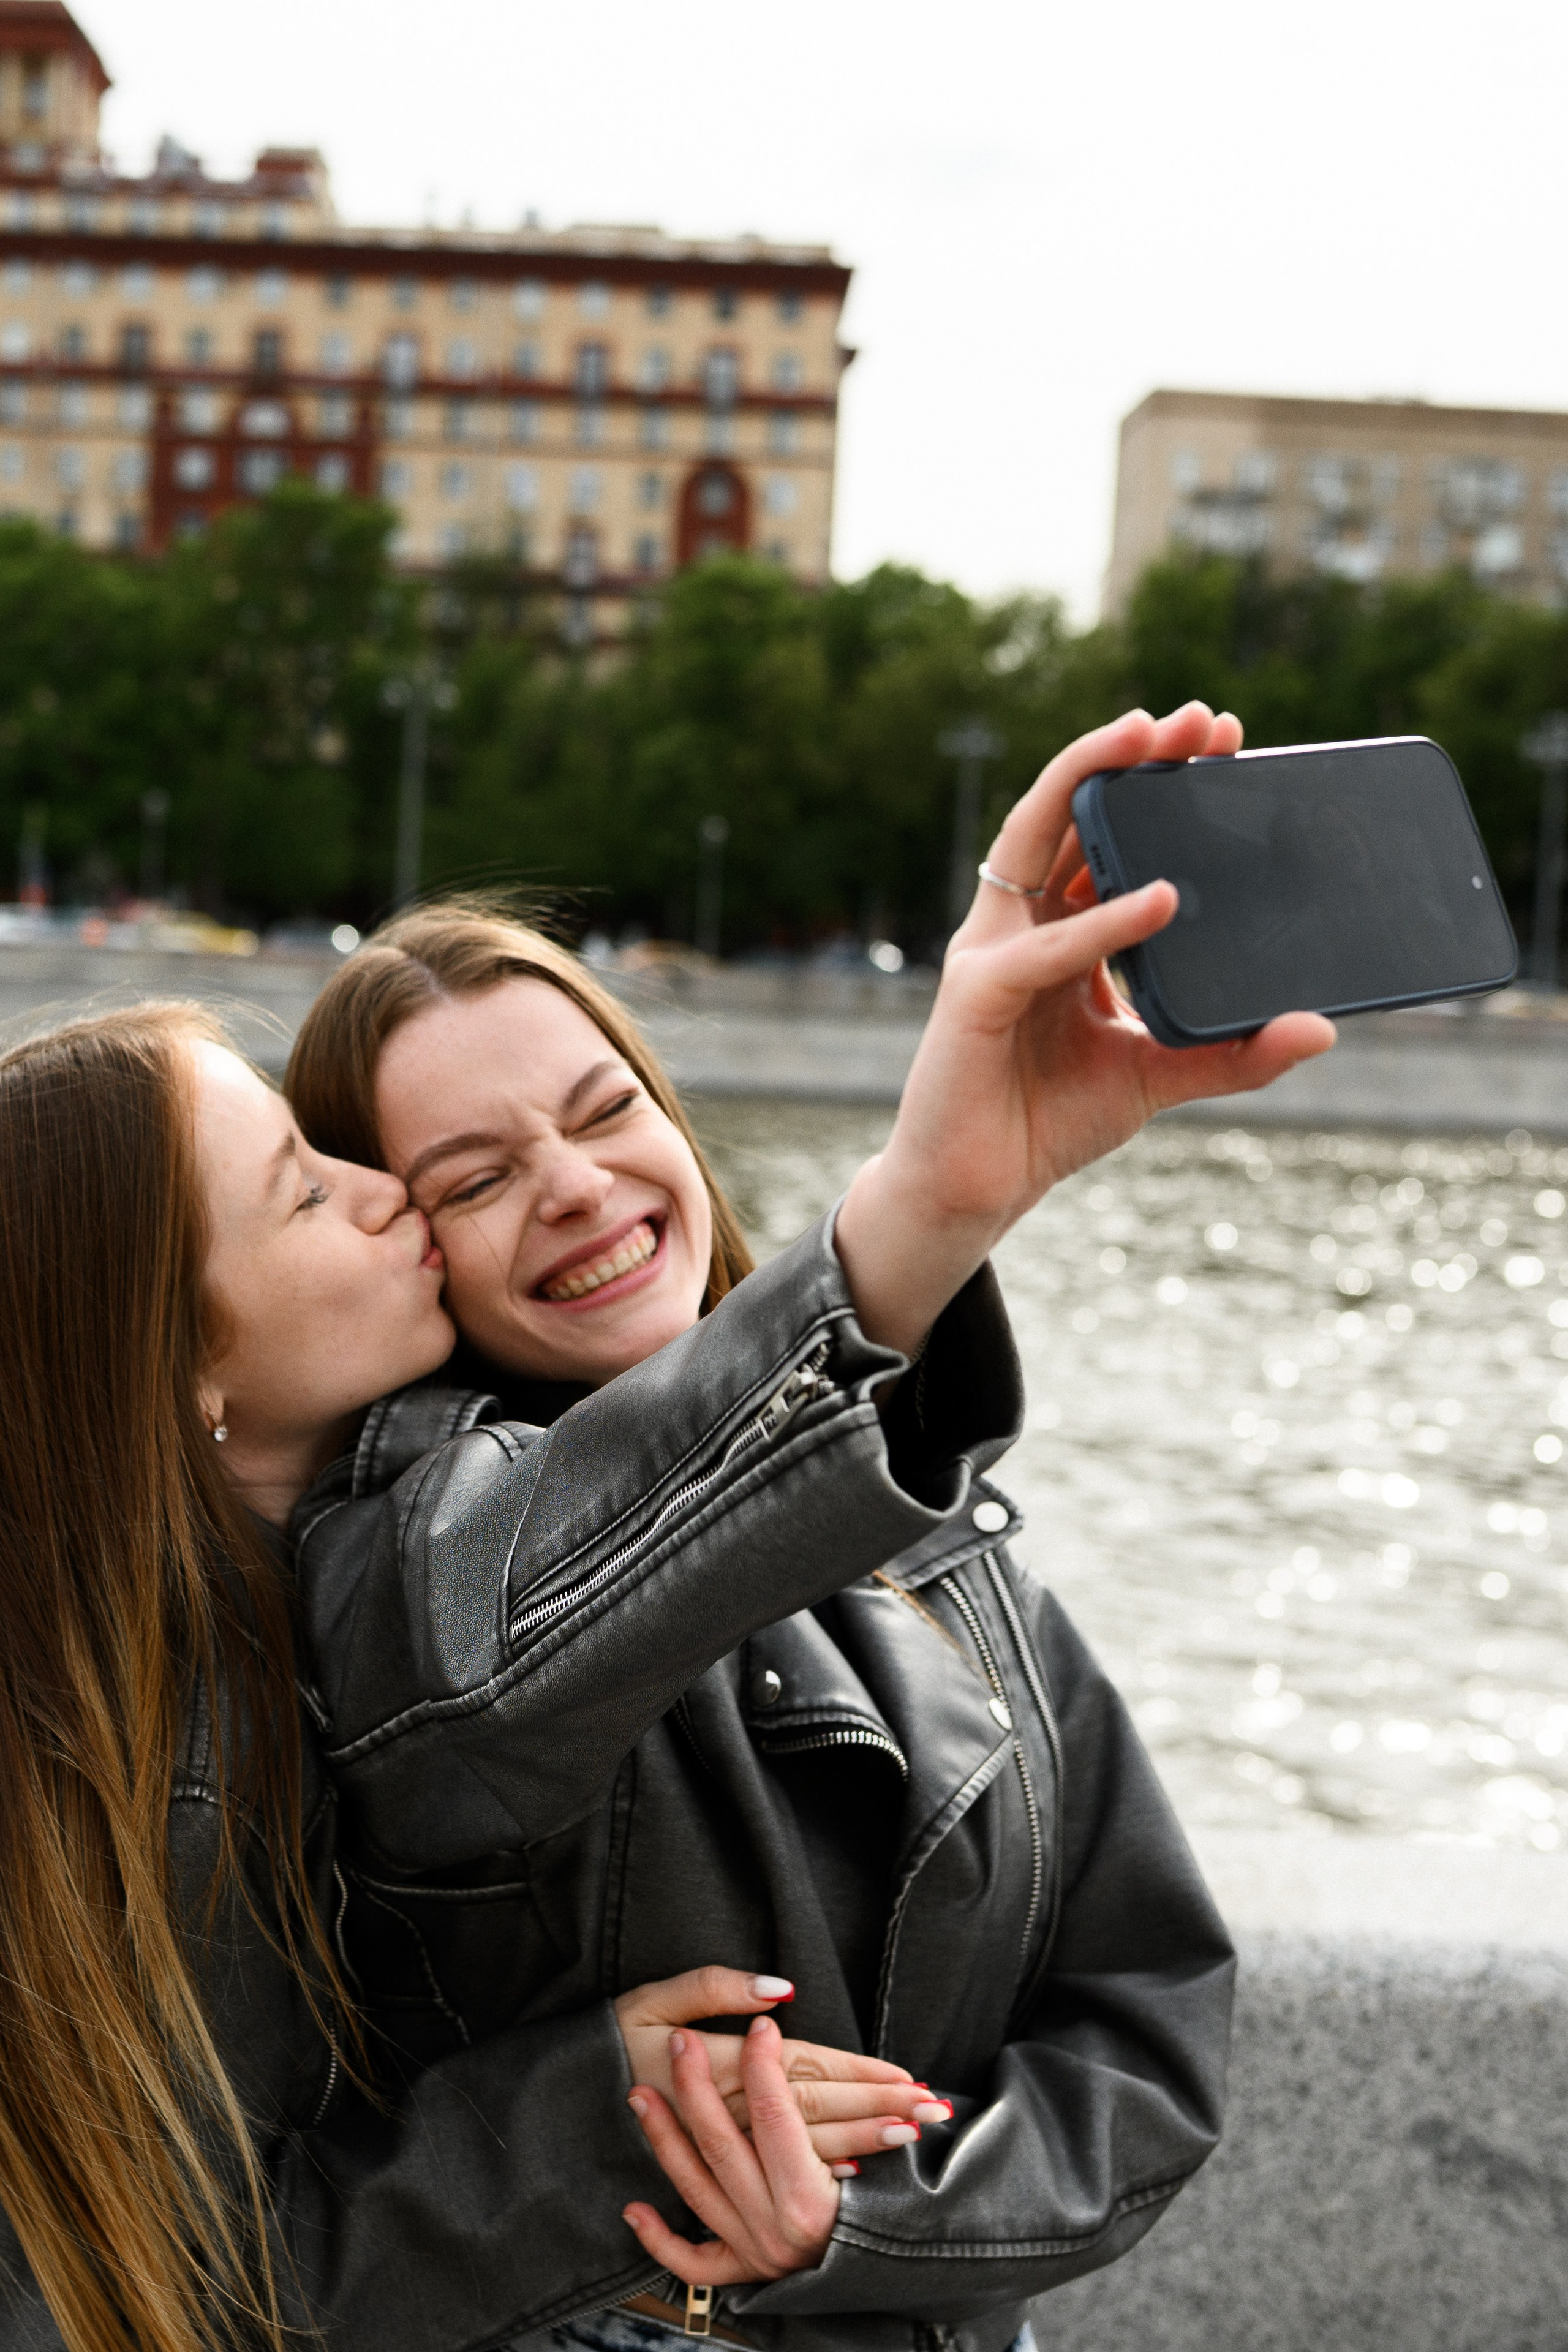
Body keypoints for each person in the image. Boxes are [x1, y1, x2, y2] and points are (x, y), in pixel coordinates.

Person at [282, 704, 1336, 2345]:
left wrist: (863, 2221)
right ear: (398, 1248)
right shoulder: (397, 1562)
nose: (573, 1183)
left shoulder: (943, 1538)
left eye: (602, 1105)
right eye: (475, 1178)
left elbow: (1145, 2032)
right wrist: (923, 1211)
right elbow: (532, 1629)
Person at [0, 1004, 989, 2352]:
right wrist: (599, 2118)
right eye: (301, 1190)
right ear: (180, 1373)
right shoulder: (141, 1751)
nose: (379, 1191)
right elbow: (153, 2295)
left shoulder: (278, 1594)